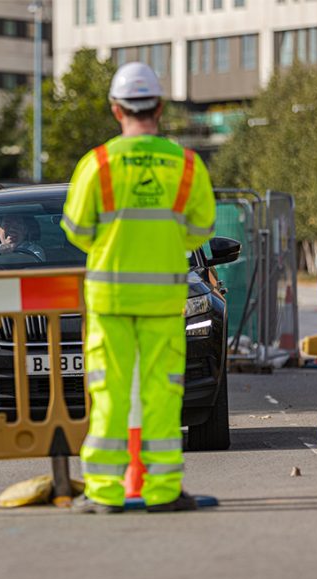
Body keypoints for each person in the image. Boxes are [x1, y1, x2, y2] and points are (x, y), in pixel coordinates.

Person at [62, 62, 216, 514]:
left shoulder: (98, 164)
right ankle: (163, 490)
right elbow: (201, 229)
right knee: (163, 395)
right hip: (165, 302)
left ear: (117, 109)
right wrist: (162, 243)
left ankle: (104, 493)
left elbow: (76, 230)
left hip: (110, 302)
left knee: (109, 394)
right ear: (160, 107)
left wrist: (116, 243)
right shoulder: (186, 166)